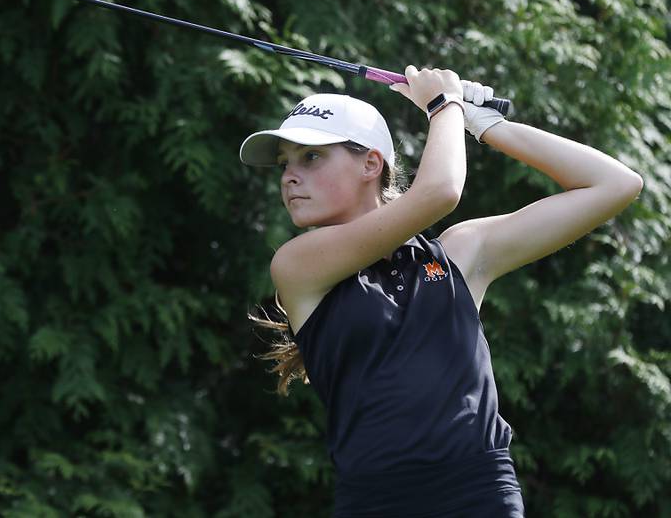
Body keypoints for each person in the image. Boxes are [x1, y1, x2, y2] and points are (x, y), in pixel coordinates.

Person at [239, 66, 643, 517]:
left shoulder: (458, 255)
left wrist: (488, 126)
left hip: (480, 492)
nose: (290, 177)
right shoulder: (298, 264)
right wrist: (443, 105)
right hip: (377, 503)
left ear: (371, 163)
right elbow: (441, 192)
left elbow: (616, 185)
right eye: (285, 164)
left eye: (310, 157)